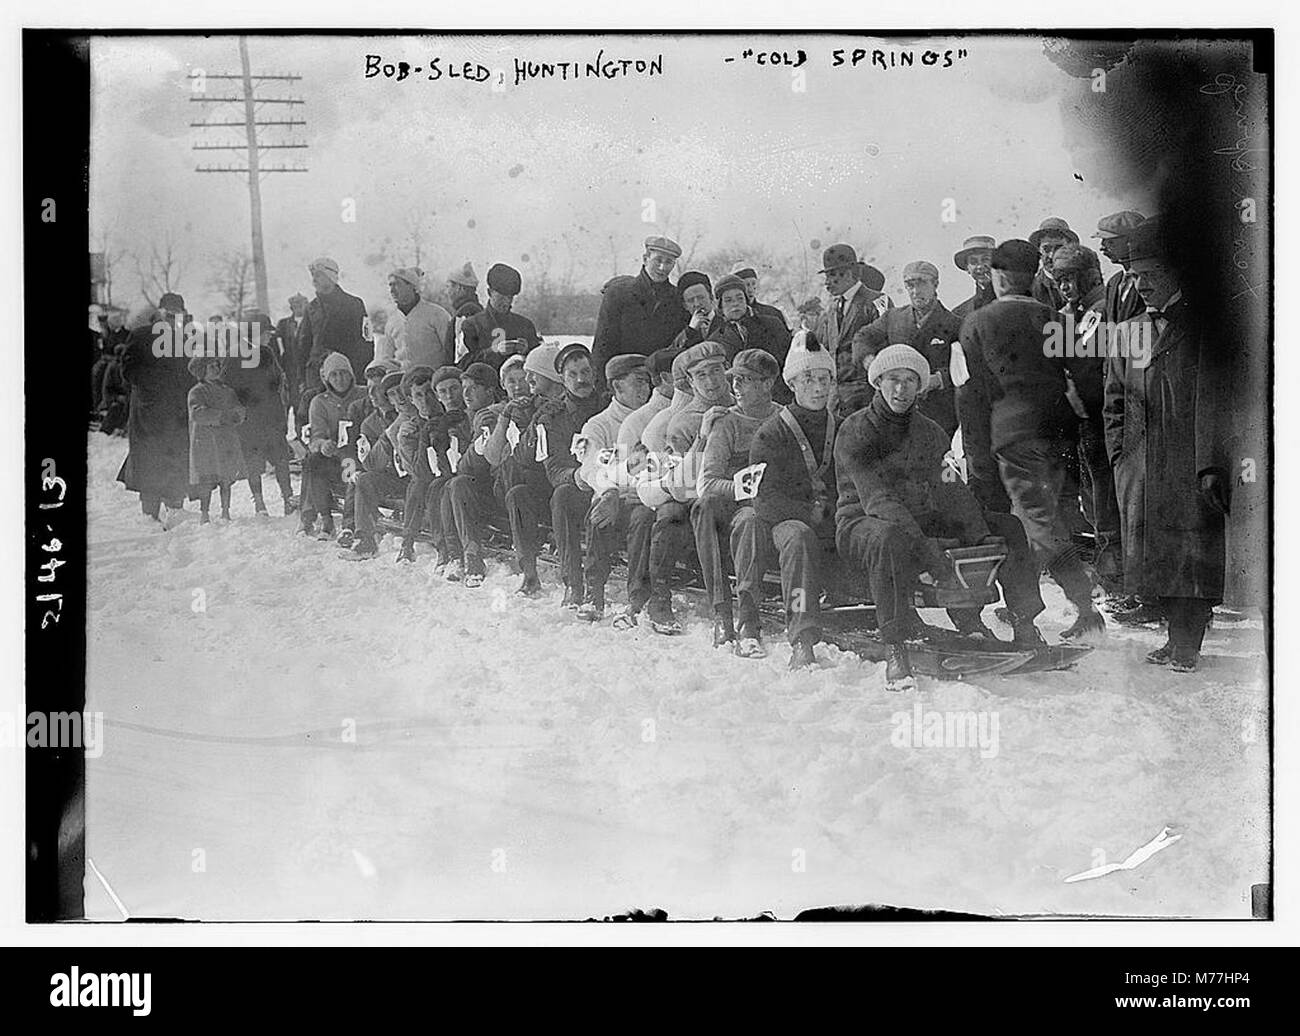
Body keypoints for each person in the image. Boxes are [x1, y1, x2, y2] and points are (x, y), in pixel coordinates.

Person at [835, 345, 1050, 690]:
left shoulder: (930, 431)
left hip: (917, 518)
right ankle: (896, 645)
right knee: (889, 536)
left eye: (910, 381)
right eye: (893, 380)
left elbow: (950, 489)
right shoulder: (857, 429)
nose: (901, 389)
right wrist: (926, 551)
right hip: (863, 521)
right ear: (878, 382)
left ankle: (1024, 623)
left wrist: (980, 534)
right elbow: (878, 498)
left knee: (1007, 526)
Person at [958, 239, 1104, 640]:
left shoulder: (977, 323)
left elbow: (973, 391)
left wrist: (976, 450)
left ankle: (1063, 606)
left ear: (1001, 276)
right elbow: (1087, 375)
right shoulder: (1056, 319)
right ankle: (1079, 606)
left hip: (1012, 435)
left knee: (1034, 525)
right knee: (1049, 517)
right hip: (1059, 433)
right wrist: (1079, 415)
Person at [1104, 220, 1226, 672]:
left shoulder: (1201, 327)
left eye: (1152, 274)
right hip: (1139, 464)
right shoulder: (1126, 330)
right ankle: (1175, 639)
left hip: (1187, 461)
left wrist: (1211, 463)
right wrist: (1119, 457)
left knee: (1190, 552)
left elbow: (1217, 401)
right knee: (1155, 554)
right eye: (1135, 277)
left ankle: (1188, 643)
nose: (1143, 284)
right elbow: (1113, 400)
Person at [732, 331, 838, 667]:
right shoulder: (771, 432)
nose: (819, 387)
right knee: (798, 536)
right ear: (792, 383)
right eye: (809, 379)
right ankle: (800, 637)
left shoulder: (841, 426)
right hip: (781, 520)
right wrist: (810, 512)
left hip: (831, 516)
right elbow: (764, 498)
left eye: (824, 379)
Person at [691, 348, 783, 647]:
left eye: (744, 380)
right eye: (734, 379)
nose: (735, 387)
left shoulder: (784, 418)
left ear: (768, 383)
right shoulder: (727, 422)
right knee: (706, 507)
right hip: (733, 505)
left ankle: (749, 620)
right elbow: (708, 482)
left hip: (775, 504)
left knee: (752, 522)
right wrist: (742, 490)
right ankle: (722, 613)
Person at [1052, 243, 1122, 598]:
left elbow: (1086, 364)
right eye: (1059, 279)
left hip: (1098, 417)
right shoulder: (1074, 312)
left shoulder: (1099, 309)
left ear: (1090, 276)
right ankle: (1112, 578)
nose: (1064, 286)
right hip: (1084, 419)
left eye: (1070, 278)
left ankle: (1117, 582)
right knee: (1095, 501)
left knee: (1105, 502)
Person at [572, 355, 654, 621]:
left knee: (642, 516)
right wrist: (611, 492)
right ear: (617, 387)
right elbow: (590, 468)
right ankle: (593, 592)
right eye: (638, 382)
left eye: (647, 382)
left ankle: (638, 598)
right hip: (614, 501)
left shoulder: (656, 419)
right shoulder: (598, 425)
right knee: (600, 511)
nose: (646, 389)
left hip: (644, 501)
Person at [853, 260, 963, 439]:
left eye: (922, 283)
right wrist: (872, 364)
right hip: (897, 412)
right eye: (910, 285)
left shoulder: (954, 324)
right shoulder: (894, 318)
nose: (915, 291)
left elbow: (967, 365)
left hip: (938, 413)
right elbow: (862, 338)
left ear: (935, 284)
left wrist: (938, 379)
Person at [537, 343, 608, 606]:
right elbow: (554, 468)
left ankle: (596, 585)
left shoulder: (608, 404)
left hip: (612, 483)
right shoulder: (551, 417)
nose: (581, 379)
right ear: (562, 380)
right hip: (579, 488)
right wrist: (578, 475)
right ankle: (573, 583)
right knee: (562, 496)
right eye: (573, 374)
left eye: (586, 372)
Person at [116, 293, 194, 528]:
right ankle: (149, 514)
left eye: (177, 314)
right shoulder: (140, 336)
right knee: (149, 460)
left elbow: (194, 369)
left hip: (177, 412)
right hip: (148, 412)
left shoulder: (187, 338)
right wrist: (154, 385)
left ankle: (175, 510)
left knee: (177, 457)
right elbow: (128, 371)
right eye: (168, 314)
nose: (172, 319)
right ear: (159, 313)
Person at [500, 343, 566, 596]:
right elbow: (524, 457)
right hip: (545, 485)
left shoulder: (576, 402)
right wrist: (536, 420)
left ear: (549, 376)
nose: (527, 381)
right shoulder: (530, 406)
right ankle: (529, 573)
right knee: (517, 491)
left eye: (533, 375)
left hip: (574, 481)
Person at [439, 362, 506, 584]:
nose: (466, 393)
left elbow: (484, 463)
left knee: (456, 484)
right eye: (464, 387)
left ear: (489, 391)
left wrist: (480, 439)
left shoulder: (496, 414)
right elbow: (457, 465)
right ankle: (467, 554)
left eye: (473, 388)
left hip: (498, 488)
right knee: (454, 484)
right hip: (470, 490)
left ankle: (457, 554)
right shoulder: (460, 419)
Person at [591, 236, 689, 385]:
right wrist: (603, 386)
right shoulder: (618, 293)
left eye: (669, 262)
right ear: (645, 259)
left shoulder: (678, 299)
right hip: (623, 381)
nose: (663, 267)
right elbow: (603, 345)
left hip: (661, 383)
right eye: (658, 260)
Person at [225, 312, 296, 517]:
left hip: (270, 416)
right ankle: (259, 503)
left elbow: (277, 381)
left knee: (281, 460)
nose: (270, 337)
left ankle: (288, 499)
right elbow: (227, 385)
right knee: (253, 462)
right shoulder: (234, 354)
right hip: (249, 421)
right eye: (266, 332)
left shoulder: (266, 352)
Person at [813, 244, 886, 420]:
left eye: (831, 275)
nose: (826, 283)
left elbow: (887, 347)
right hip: (834, 401)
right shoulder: (830, 311)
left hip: (867, 398)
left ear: (847, 273)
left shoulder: (876, 302)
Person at [300, 351, 365, 539]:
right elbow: (315, 437)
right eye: (334, 375)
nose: (340, 379)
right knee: (313, 462)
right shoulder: (320, 402)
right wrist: (323, 445)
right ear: (327, 378)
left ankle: (349, 523)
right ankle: (326, 518)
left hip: (355, 459)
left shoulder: (363, 394)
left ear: (351, 375)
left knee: (352, 465)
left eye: (344, 373)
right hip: (334, 461)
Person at [704, 275, 792, 402]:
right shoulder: (715, 341)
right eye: (728, 300)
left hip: (778, 396)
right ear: (720, 306)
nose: (735, 303)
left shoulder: (772, 324)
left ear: (746, 301)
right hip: (742, 402)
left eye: (740, 298)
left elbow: (788, 359)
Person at [186, 353, 246, 525]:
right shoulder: (196, 391)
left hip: (226, 440)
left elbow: (239, 407)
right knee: (207, 478)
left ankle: (225, 511)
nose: (216, 369)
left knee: (225, 478)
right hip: (206, 442)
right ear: (201, 371)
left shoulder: (228, 391)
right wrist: (221, 416)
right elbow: (197, 413)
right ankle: (204, 512)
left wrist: (238, 415)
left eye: (217, 365)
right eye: (211, 366)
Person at [298, 257, 370, 391]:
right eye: (313, 276)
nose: (314, 280)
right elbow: (303, 345)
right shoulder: (311, 308)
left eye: (318, 275)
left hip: (346, 376)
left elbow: (366, 342)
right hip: (317, 378)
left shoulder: (354, 304)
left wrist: (361, 375)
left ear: (330, 277)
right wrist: (302, 378)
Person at [458, 263, 541, 372]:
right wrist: (494, 352)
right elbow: (462, 364)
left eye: (510, 297)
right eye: (501, 297)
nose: (506, 302)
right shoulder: (471, 325)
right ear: (489, 292)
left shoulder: (525, 325)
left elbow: (539, 364)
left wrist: (527, 351)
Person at [384, 267, 452, 370]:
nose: (392, 290)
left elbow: (450, 350)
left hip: (432, 380)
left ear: (412, 286)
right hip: (402, 381)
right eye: (390, 285)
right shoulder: (392, 321)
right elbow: (386, 357)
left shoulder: (437, 314)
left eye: (397, 284)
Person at [1092, 210, 1148, 324]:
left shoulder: (1150, 279)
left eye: (1110, 242)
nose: (1102, 248)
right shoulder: (1113, 282)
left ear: (1132, 241)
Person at [1027, 217, 1079, 311]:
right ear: (1038, 251)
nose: (1051, 255)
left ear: (1070, 249)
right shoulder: (1031, 290)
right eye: (1046, 249)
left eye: (1058, 248)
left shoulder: (1084, 283)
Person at [445, 261, 484, 364]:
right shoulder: (474, 309)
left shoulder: (466, 312)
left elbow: (461, 355)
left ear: (459, 288)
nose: (446, 292)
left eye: (448, 286)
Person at [730, 262, 790, 330]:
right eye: (746, 285)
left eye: (753, 283)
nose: (750, 289)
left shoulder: (772, 313)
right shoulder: (730, 316)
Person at [951, 235, 997, 322]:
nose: (980, 266)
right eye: (973, 262)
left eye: (985, 259)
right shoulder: (959, 314)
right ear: (967, 269)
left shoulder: (1013, 303)